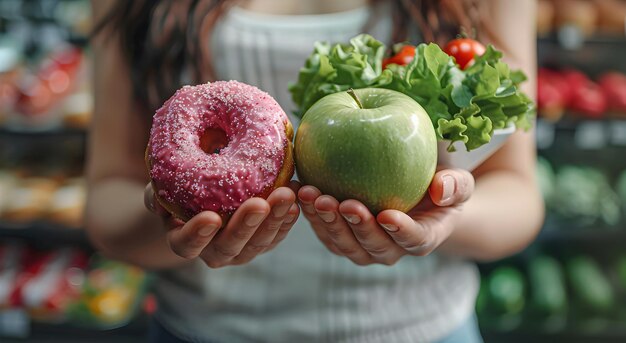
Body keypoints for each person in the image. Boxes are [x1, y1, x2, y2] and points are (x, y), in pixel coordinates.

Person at [87, 0, 543, 342]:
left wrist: (442, 218)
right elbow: (107, 202)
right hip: (203, 329)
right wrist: (174, 218)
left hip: (426, 328)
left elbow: (519, 196)